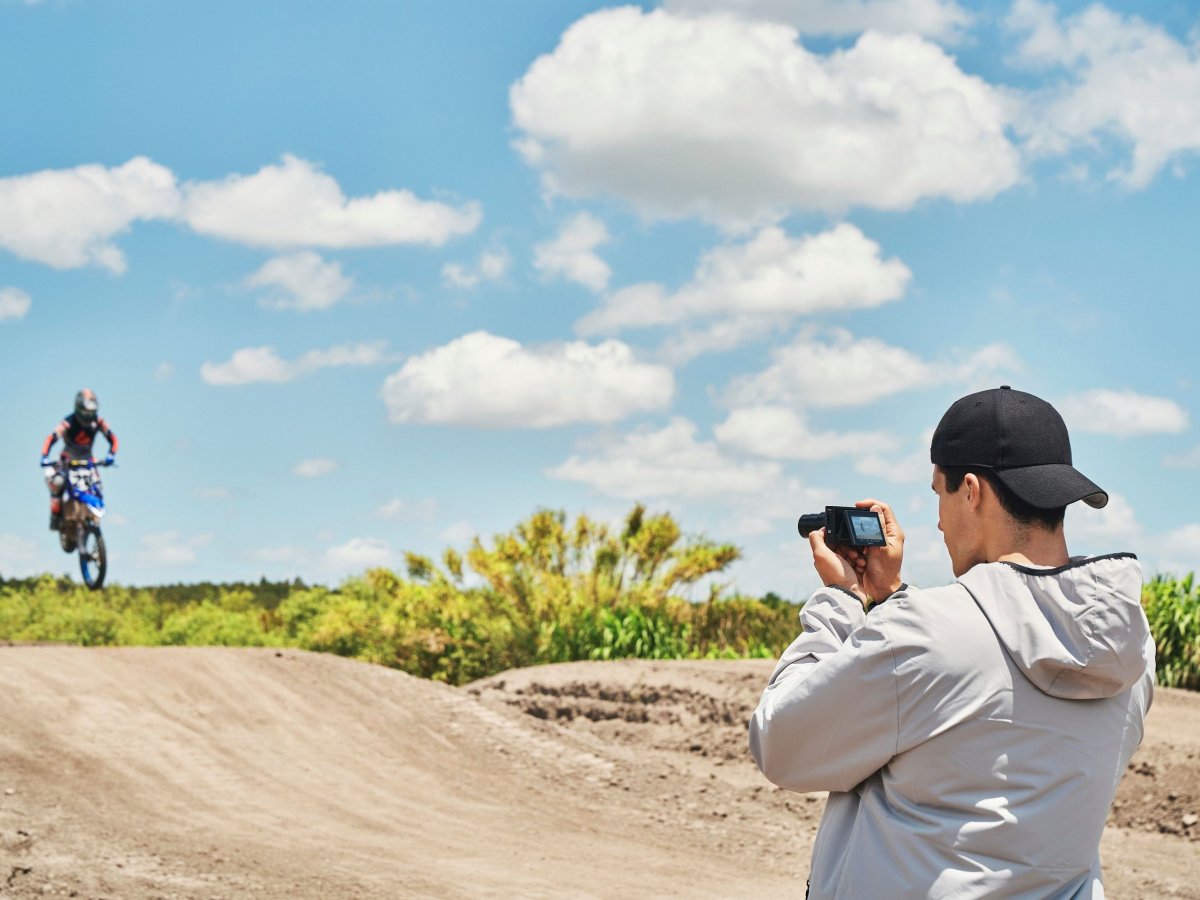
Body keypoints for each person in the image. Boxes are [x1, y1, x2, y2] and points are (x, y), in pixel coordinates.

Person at [748, 385, 1154, 899]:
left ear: (971, 491)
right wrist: (894, 599)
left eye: (939, 493)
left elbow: (781, 742)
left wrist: (841, 601)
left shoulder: (924, 636)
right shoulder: (1132, 649)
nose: (939, 520)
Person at [40, 388, 118, 530]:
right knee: (57, 482)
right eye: (86, 411)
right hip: (68, 460)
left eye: (91, 412)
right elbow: (52, 437)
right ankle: (55, 516)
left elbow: (113, 438)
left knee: (97, 487)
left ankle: (93, 517)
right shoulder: (68, 422)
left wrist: (111, 455)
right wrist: (44, 456)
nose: (88, 415)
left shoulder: (98, 421)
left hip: (88, 462)